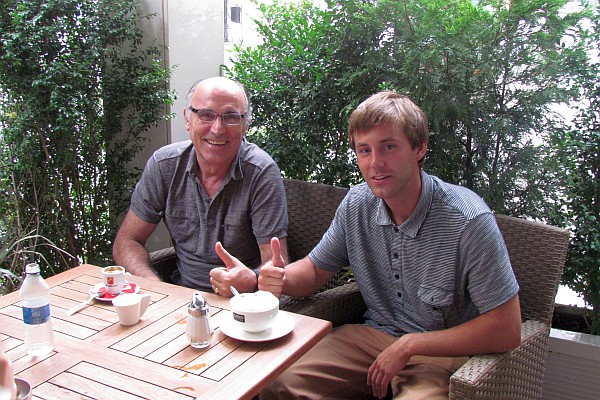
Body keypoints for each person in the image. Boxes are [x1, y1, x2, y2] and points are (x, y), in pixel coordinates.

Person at [220, 91, 522, 399]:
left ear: (419, 148)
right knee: (279, 382)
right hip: (372, 338)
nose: (375, 163)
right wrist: (277, 277)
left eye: (389, 147)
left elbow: (507, 329)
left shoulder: (467, 221)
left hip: (440, 353)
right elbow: (313, 271)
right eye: (364, 150)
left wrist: (410, 345)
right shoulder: (357, 204)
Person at [113, 76, 289, 296]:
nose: (217, 129)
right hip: (179, 301)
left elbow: (275, 266)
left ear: (245, 125)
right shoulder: (164, 166)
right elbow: (127, 241)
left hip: (242, 304)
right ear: (188, 119)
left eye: (231, 117)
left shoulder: (260, 172)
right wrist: (155, 287)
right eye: (206, 115)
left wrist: (252, 279)